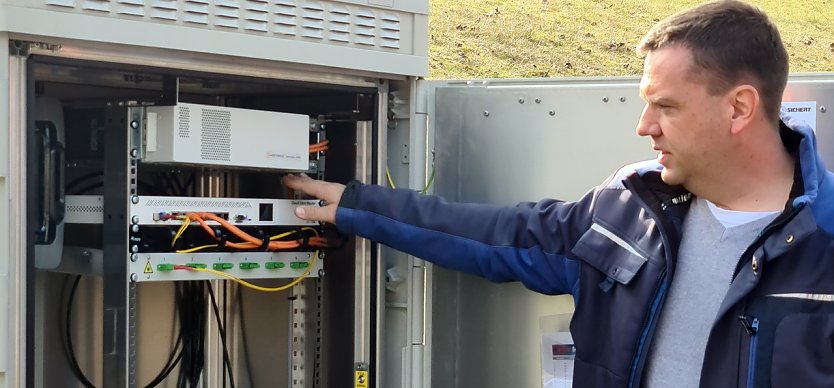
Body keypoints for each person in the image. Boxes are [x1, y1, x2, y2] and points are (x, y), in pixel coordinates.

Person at [285, 1, 834, 387]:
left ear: (739, 107)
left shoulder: (824, 243)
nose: (645, 127)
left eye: (666, 107)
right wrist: (361, 205)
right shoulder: (627, 209)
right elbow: (497, 235)